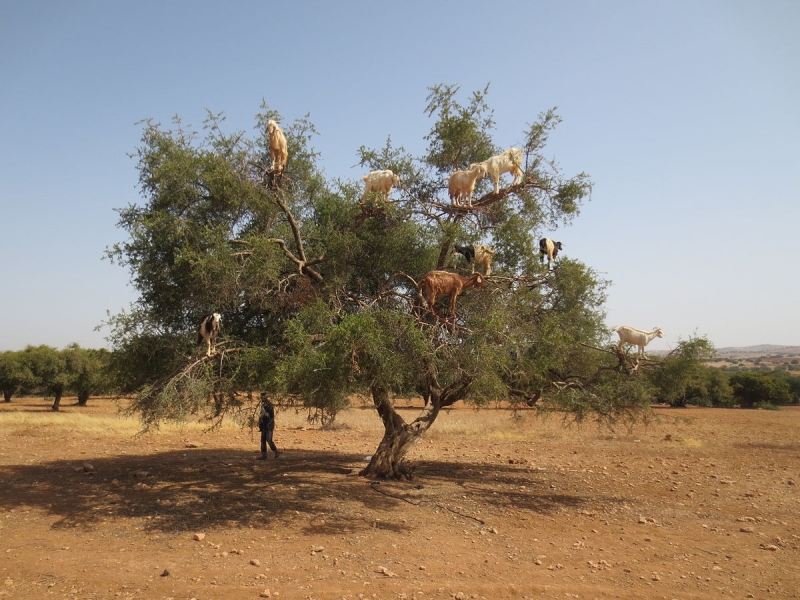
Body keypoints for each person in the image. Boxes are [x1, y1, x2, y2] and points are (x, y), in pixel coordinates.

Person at [257, 393, 281, 460]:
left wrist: (263, 420)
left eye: (262, 397)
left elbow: (267, 415)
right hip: (264, 425)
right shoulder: (263, 405)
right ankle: (264, 455)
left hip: (269, 425)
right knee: (263, 441)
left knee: (269, 440)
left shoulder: (269, 405)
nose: (261, 399)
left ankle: (276, 452)